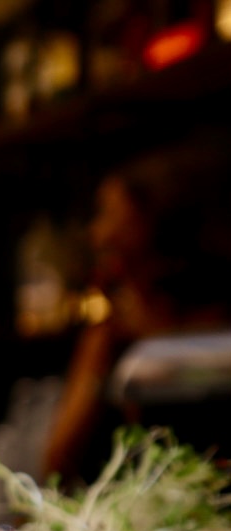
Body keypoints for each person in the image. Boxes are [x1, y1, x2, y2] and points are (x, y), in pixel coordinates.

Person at [42, 138, 231, 480]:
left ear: (156, 220)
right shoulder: (109, 337)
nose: (97, 234)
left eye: (108, 214)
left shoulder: (216, 325)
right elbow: (56, 466)